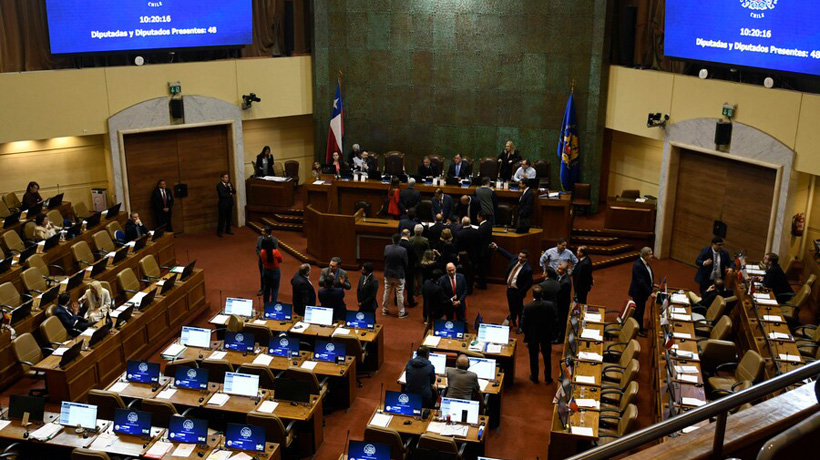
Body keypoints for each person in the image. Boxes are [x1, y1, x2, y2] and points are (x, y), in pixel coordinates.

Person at [491, 242, 533, 332]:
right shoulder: (515, 259)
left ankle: (521, 326)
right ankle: (513, 320)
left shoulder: (528, 269)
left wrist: (521, 292)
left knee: (519, 309)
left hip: (518, 291)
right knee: (511, 307)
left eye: (522, 257)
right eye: (520, 256)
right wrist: (497, 248)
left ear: (526, 258)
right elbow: (506, 254)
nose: (520, 258)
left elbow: (529, 283)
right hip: (510, 289)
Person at [521, 285, 557, 384]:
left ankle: (534, 377)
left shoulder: (528, 307)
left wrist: (527, 333)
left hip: (533, 336)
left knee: (533, 357)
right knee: (547, 357)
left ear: (533, 295)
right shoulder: (550, 305)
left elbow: (523, 324)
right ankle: (548, 378)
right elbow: (554, 320)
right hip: (546, 334)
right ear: (542, 294)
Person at [629, 247, 656, 337]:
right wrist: (650, 292)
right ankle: (637, 330)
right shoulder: (638, 265)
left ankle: (638, 326)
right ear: (645, 255)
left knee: (641, 310)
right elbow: (641, 281)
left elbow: (646, 278)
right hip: (638, 293)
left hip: (642, 292)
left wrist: (653, 285)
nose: (652, 255)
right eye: (650, 254)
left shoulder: (645, 264)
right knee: (639, 312)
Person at [383, 234, 409, 318]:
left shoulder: (387, 247)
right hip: (399, 274)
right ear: (400, 241)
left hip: (388, 273)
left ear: (392, 239)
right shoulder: (403, 250)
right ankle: (401, 313)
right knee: (400, 293)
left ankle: (384, 310)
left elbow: (385, 259)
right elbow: (405, 263)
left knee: (387, 292)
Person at [255, 226, 279, 296]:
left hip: (270, 261)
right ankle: (262, 288)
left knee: (271, 275)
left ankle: (270, 289)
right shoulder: (259, 238)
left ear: (267, 233)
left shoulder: (274, 239)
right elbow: (257, 248)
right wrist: (261, 256)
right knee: (262, 275)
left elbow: (276, 250)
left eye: (263, 231)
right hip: (261, 261)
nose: (261, 232)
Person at [259, 238, 284, 304]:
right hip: (275, 271)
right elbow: (281, 260)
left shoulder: (262, 252)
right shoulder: (276, 252)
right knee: (275, 289)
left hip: (266, 271)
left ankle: (266, 304)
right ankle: (273, 305)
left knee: (266, 288)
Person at [399, 229, 418, 307]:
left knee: (398, 284)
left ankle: (397, 300)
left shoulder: (398, 243)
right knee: (410, 285)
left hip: (399, 267)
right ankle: (410, 301)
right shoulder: (410, 245)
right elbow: (414, 257)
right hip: (409, 268)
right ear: (408, 235)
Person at [410, 225, 430, 295]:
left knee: (413, 276)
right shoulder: (425, 240)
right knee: (420, 276)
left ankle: (413, 290)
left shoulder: (410, 239)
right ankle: (419, 290)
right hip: (421, 260)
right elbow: (428, 250)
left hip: (412, 260)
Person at [475, 213, 493, 289]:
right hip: (487, 250)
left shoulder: (482, 228)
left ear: (481, 217)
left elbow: (479, 240)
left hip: (482, 251)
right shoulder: (488, 224)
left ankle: (482, 285)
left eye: (477, 217)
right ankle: (482, 283)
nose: (476, 219)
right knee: (484, 268)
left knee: (481, 269)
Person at [556, 262, 572, 339]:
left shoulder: (565, 282)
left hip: (563, 305)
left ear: (565, 271)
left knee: (562, 321)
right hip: (559, 304)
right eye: (557, 268)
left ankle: (561, 338)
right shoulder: (559, 277)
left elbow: (562, 297)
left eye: (560, 269)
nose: (557, 270)